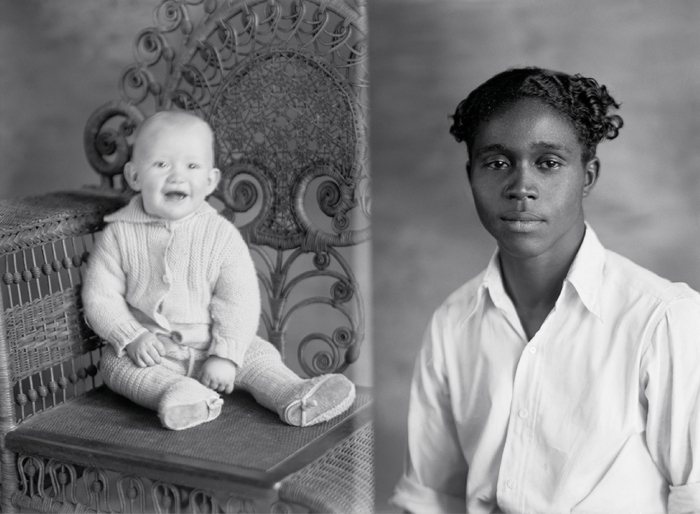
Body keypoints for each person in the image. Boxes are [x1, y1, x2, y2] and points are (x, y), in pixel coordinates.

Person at [391, 68, 700, 513]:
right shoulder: (452, 324)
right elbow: (429, 497)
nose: (520, 188)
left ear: (587, 176)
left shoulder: (663, 320)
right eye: (497, 163)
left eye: (548, 163)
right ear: (470, 174)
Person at [82, 110, 355, 431]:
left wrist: (226, 354)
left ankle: (294, 394)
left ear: (210, 181)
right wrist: (129, 336)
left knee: (257, 354)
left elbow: (238, 300)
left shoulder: (220, 235)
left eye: (191, 166)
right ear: (134, 176)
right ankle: (179, 394)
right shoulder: (119, 233)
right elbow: (100, 296)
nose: (176, 176)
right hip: (155, 353)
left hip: (213, 343)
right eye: (161, 164)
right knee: (116, 366)